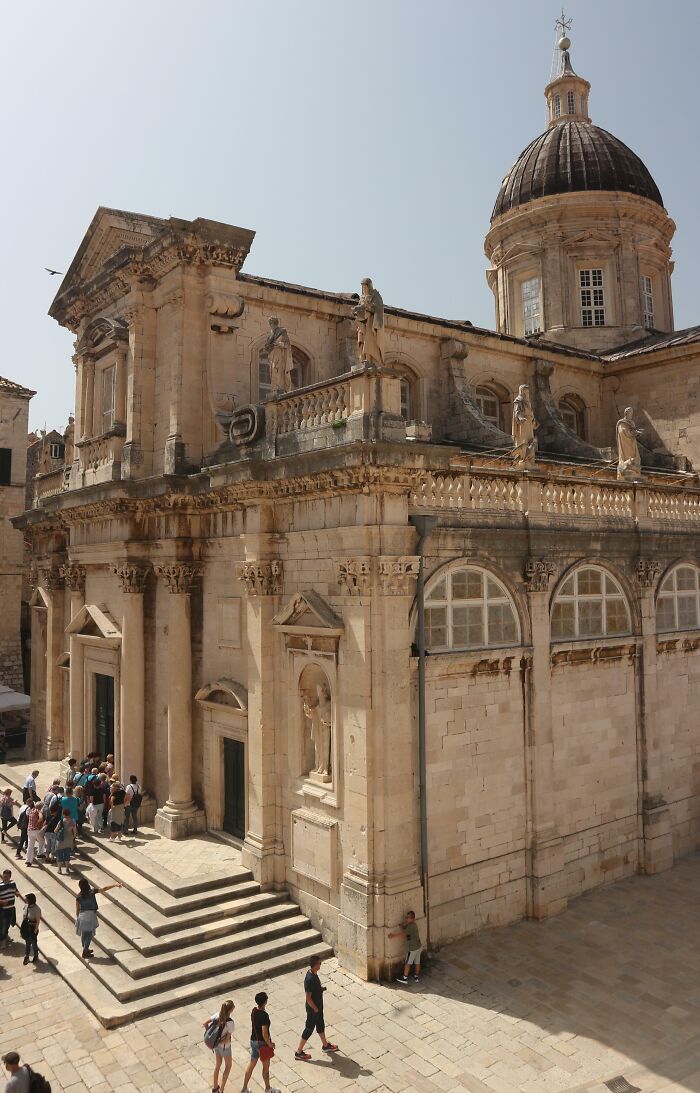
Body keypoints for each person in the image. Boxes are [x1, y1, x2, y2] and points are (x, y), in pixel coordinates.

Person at [294, 955, 338, 1061]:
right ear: (314, 965)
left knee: (320, 1024)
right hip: (313, 1009)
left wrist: (320, 989)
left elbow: (314, 991)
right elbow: (308, 998)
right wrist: (315, 1008)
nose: (320, 965)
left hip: (318, 1007)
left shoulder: (314, 974)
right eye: (319, 963)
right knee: (309, 1028)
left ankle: (325, 1045)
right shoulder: (309, 979)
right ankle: (299, 1052)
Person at [241, 991, 280, 1093]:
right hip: (262, 1044)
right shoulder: (264, 1016)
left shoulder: (254, 1011)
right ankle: (268, 1089)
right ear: (265, 1002)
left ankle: (244, 1088)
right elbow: (264, 1034)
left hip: (253, 1041)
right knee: (266, 1068)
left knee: (252, 1064)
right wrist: (270, 1044)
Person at [75, 876, 122, 959]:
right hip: (90, 915)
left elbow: (77, 909)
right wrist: (115, 885)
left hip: (82, 916)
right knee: (89, 934)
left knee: (84, 933)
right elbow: (103, 889)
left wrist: (78, 918)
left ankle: (85, 949)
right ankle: (85, 951)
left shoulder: (78, 896)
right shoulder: (92, 892)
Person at [203, 999, 235, 1093]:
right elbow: (226, 1040)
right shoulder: (230, 1022)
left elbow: (205, 1023)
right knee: (228, 1066)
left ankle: (215, 1088)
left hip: (216, 1046)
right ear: (230, 1010)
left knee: (217, 1065)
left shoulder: (217, 1015)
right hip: (225, 1047)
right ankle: (221, 1090)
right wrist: (221, 1041)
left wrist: (211, 1035)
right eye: (233, 1006)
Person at [389, 909, 423, 984]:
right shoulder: (413, 925)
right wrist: (402, 927)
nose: (407, 919)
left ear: (413, 918)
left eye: (409, 918)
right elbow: (407, 931)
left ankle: (404, 978)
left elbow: (403, 934)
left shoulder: (410, 926)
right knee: (417, 962)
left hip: (412, 949)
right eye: (407, 917)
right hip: (418, 947)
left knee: (408, 963)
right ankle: (416, 976)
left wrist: (393, 935)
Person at [0, 869, 25, 948]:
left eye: (6, 877)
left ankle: (6, 936)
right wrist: (2, 901)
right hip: (3, 910)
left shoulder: (13, 883)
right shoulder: (0, 886)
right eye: (4, 876)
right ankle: (2, 942)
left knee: (8, 924)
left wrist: (23, 899)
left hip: (11, 908)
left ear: (10, 877)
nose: (5, 878)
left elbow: (16, 891)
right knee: (3, 925)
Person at [20, 893, 40, 965]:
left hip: (32, 928)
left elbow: (38, 921)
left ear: (30, 900)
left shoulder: (37, 909)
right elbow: (24, 917)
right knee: (27, 943)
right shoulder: (25, 906)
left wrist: (35, 931)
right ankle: (27, 956)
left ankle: (36, 954)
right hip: (26, 927)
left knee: (33, 943)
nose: (25, 899)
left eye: (26, 899)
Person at [24, 799, 45, 867]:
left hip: (29, 830)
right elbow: (41, 818)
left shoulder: (31, 810)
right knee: (42, 841)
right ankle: (40, 853)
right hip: (36, 830)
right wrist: (38, 823)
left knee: (30, 846)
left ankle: (28, 860)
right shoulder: (38, 810)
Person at [55, 808, 76, 874]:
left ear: (63, 814)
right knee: (67, 855)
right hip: (69, 841)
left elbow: (55, 830)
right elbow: (75, 831)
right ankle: (67, 869)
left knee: (59, 855)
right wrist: (73, 837)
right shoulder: (73, 821)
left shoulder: (61, 821)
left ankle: (59, 869)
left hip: (61, 841)